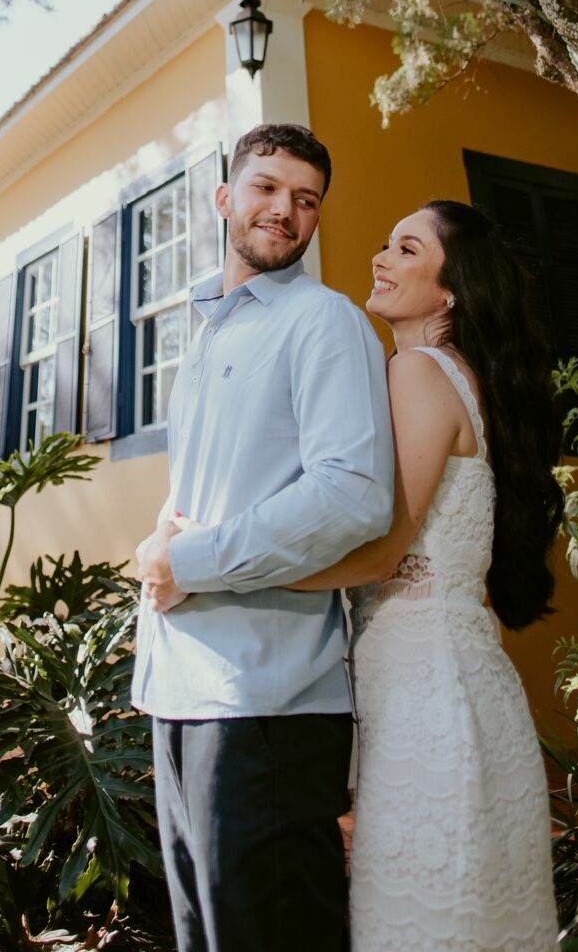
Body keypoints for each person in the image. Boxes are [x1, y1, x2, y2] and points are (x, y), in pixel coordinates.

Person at [133, 123, 394, 952]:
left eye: (306, 200)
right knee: (202, 935)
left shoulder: (325, 321)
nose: (285, 210)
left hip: (268, 701)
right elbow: (210, 487)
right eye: (267, 188)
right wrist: (158, 546)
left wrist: (192, 562)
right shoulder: (206, 337)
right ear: (224, 198)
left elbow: (352, 496)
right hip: (178, 689)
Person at [291, 198, 563, 950]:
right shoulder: (468, 379)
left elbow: (382, 552)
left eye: (406, 249)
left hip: (427, 697)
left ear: (451, 288)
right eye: (385, 243)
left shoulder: (417, 370)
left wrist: (234, 577)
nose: (380, 257)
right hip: (465, 685)